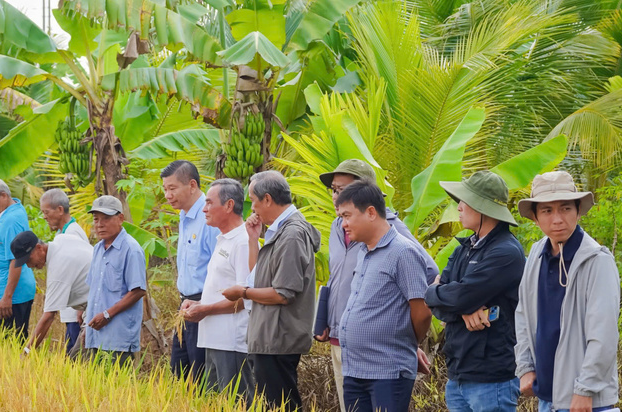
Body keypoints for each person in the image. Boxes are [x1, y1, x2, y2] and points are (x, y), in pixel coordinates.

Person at [316, 160, 438, 411]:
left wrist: (406, 341)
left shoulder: (396, 239)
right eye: (335, 191)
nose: (337, 197)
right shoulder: (343, 230)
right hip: (348, 352)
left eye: (343, 191)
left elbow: (423, 288)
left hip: (385, 362)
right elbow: (336, 277)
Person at [515, 171, 620, 412]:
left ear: (577, 211)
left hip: (586, 402)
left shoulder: (596, 261)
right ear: (535, 217)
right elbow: (523, 316)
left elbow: (603, 334)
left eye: (565, 209)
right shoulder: (536, 256)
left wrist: (585, 389)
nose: (557, 219)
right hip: (547, 399)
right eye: (547, 211)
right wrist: (525, 367)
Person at [425, 170, 526, 411]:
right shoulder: (465, 248)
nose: (459, 207)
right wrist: (463, 311)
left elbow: (459, 296)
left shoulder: (506, 252)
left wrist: (445, 295)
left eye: (465, 201)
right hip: (458, 374)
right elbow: (434, 298)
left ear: (483, 208)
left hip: (492, 380)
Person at [222, 170, 320, 412]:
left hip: (278, 337)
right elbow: (260, 279)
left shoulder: (293, 234)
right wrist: (253, 239)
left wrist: (242, 293)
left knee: (281, 405)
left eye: (254, 201)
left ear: (267, 199)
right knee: (272, 405)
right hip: (269, 336)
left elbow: (283, 293)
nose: (253, 209)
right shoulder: (280, 231)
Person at [181, 179, 254, 401]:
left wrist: (206, 310)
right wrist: (198, 305)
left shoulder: (243, 242)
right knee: (215, 403)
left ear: (229, 205)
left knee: (236, 402)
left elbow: (245, 297)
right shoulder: (223, 240)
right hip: (213, 339)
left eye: (209, 203)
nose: (204, 208)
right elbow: (221, 289)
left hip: (231, 342)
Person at [161, 160, 219, 380]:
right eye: (165, 189)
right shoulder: (183, 216)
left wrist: (205, 304)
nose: (167, 195)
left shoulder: (209, 217)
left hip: (204, 305)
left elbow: (221, 268)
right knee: (179, 372)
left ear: (192, 185)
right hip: (184, 305)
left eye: (172, 188)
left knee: (200, 375)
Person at [82, 195, 147, 364]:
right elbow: (95, 289)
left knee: (117, 387)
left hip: (118, 338)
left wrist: (106, 315)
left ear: (120, 219)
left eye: (106, 218)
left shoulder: (131, 250)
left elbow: (138, 291)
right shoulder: (97, 249)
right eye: (96, 219)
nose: (99, 224)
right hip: (95, 334)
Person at [10, 230, 92, 357]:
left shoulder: (57, 269)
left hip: (104, 307)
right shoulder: (62, 239)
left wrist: (27, 352)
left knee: (79, 362)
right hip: (95, 303)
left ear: (39, 248)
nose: (29, 265)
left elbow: (48, 316)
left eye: (28, 259)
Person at [0, 178, 37, 340]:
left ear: (3, 195)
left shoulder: (12, 220)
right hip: (2, 291)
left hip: (13, 295)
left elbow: (16, 260)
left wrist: (7, 297)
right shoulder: (3, 212)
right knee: (5, 342)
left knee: (12, 342)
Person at [40, 188, 90, 353]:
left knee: (76, 354)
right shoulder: (62, 233)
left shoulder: (73, 232)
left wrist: (81, 310)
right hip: (73, 309)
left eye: (46, 212)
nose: (44, 217)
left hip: (78, 311)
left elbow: (87, 270)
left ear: (60, 210)